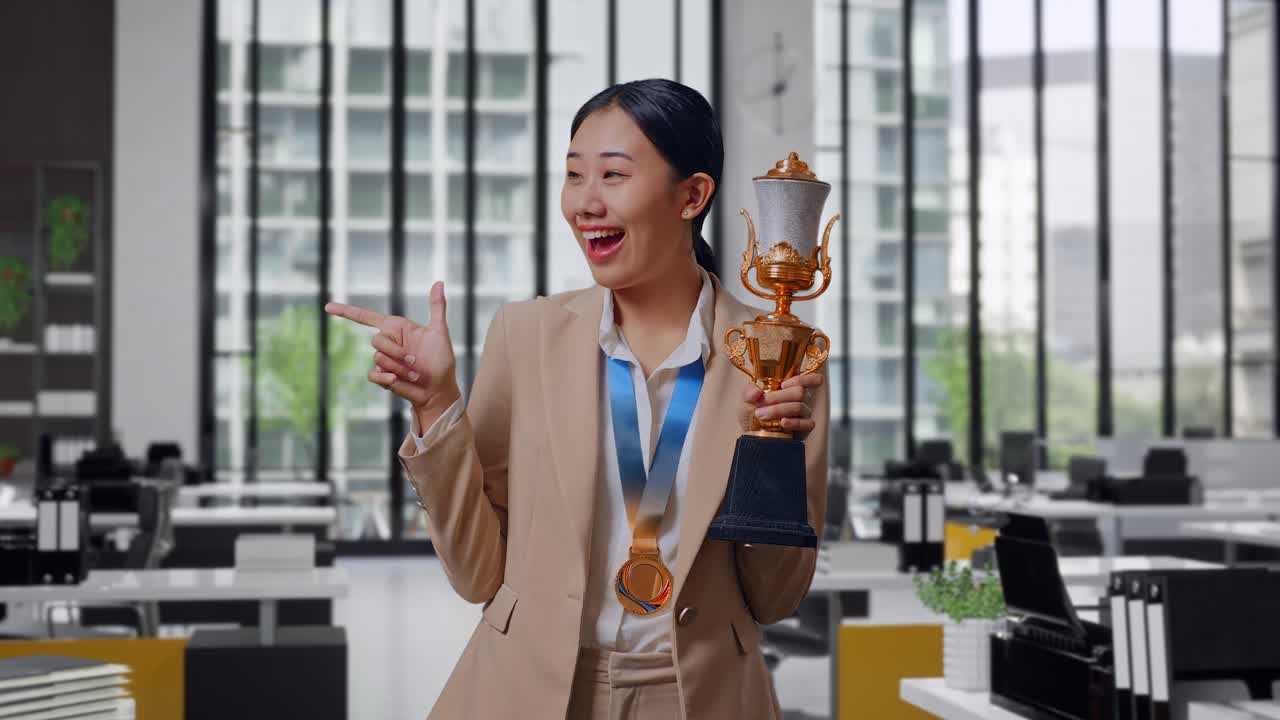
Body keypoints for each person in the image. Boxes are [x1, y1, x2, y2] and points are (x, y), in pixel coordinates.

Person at [326, 78, 828, 720]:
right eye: (573, 176)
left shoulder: (783, 354)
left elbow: (775, 597)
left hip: (698, 698)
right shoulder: (525, 336)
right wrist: (436, 406)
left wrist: (772, 453)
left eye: (613, 176)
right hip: (532, 693)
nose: (584, 203)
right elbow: (479, 575)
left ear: (692, 195)